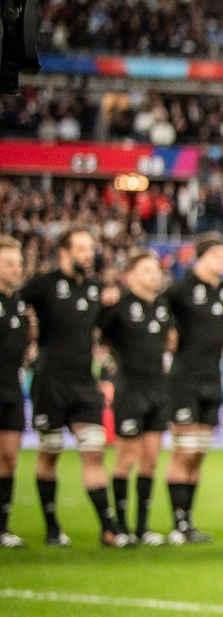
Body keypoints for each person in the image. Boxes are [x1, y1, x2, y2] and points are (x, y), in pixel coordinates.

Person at [21, 226, 122, 546]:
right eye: (80, 249)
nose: (87, 254)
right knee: (49, 453)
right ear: (63, 252)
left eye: (89, 248)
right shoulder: (43, 285)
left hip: (83, 382)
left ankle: (108, 528)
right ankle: (52, 528)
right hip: (50, 381)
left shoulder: (95, 289)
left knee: (93, 454)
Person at [164, 232, 223, 544]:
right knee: (184, 451)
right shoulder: (180, 290)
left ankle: (188, 520)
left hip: (212, 379)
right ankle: (178, 522)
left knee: (199, 453)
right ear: (200, 258)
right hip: (184, 380)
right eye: (217, 256)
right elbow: (157, 312)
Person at [99, 248, 174, 545]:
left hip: (158, 388)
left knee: (151, 460)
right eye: (146, 270)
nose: (154, 275)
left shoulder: (162, 308)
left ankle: (142, 528)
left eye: (155, 270)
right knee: (126, 457)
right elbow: (99, 333)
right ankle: (120, 526)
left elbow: (170, 341)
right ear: (130, 276)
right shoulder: (118, 307)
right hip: (130, 388)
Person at [0, 237, 29, 547]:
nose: (16, 269)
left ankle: (3, 527)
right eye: (9, 263)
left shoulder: (19, 302)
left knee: (8, 459)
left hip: (11, 388)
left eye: (19, 263)